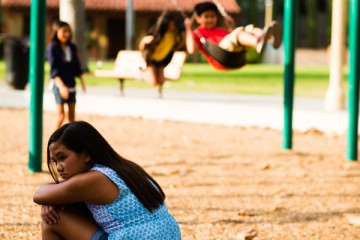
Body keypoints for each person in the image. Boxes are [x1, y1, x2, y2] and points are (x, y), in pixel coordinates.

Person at [33, 121, 181, 240]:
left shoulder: (95, 179)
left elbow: (39, 194)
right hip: (168, 234)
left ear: (86, 155)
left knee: (52, 221)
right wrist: (53, 199)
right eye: (55, 161)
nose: (58, 167)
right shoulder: (123, 168)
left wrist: (51, 200)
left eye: (63, 158)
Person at [184, 1, 282, 70]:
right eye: (206, 17)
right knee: (238, 33)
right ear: (198, 19)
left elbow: (233, 42)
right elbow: (191, 49)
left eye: (213, 16)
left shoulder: (220, 29)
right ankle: (258, 42)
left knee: (249, 28)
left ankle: (269, 39)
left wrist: (230, 26)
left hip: (235, 53)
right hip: (222, 55)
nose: (210, 19)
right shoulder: (197, 33)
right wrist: (188, 28)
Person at [47, 20, 86, 129]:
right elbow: (54, 70)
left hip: (71, 83)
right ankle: (54, 140)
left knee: (72, 117)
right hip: (59, 84)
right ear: (56, 32)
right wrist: (62, 86)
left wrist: (82, 81)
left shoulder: (72, 47)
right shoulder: (53, 48)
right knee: (60, 115)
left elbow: (76, 66)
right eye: (63, 31)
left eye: (68, 31)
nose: (66, 34)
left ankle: (71, 140)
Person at [139, 11, 185, 98]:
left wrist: (183, 30)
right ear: (166, 24)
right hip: (151, 59)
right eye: (171, 24)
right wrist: (145, 41)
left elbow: (182, 43)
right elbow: (143, 47)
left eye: (174, 24)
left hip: (161, 60)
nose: (173, 26)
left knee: (161, 80)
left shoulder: (174, 36)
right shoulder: (157, 35)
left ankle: (159, 93)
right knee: (153, 82)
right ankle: (142, 73)